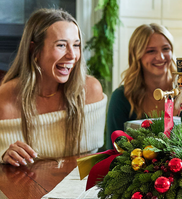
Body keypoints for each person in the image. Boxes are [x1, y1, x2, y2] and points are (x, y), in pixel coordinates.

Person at [0, 9, 106, 166]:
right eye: (61, 45)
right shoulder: (5, 96)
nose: (72, 55)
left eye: (76, 45)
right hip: (24, 188)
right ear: (34, 50)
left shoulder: (91, 90)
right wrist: (3, 156)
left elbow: (94, 158)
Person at [106, 24, 177, 147]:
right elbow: (112, 152)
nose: (160, 57)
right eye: (151, 51)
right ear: (136, 55)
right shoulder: (121, 97)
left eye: (166, 49)